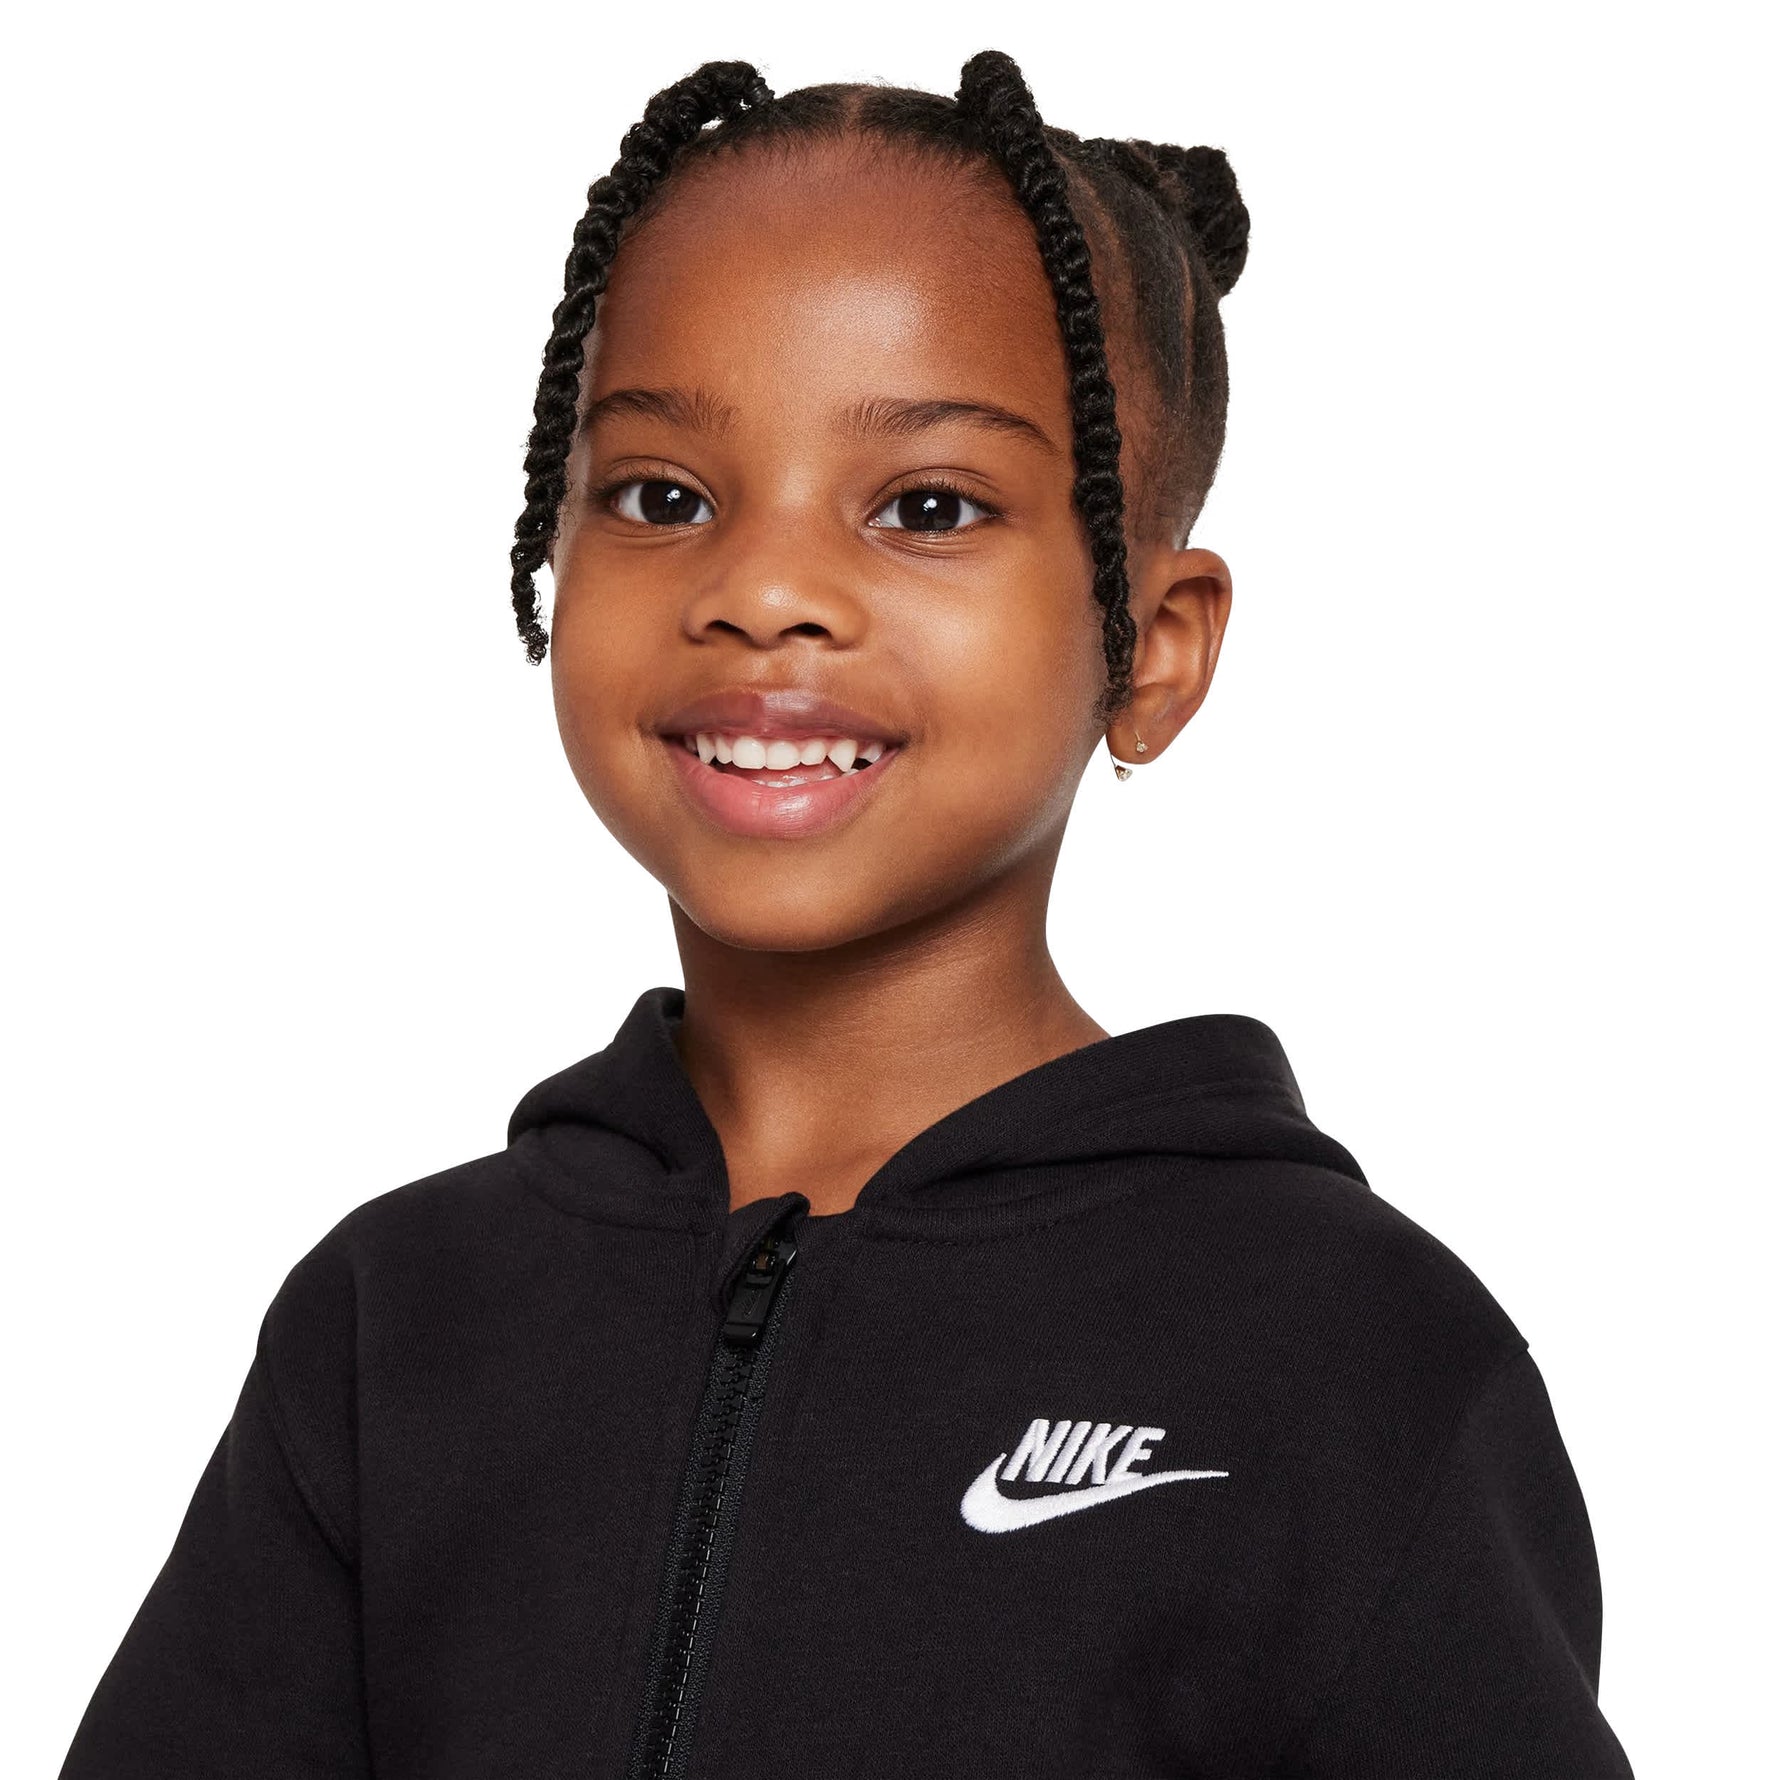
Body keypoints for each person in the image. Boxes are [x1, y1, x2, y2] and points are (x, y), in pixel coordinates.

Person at [59, 49, 1635, 1778]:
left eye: (927, 508)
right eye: (661, 497)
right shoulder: (397, 1323)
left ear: (1154, 648)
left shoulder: (1352, 1355)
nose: (765, 591)